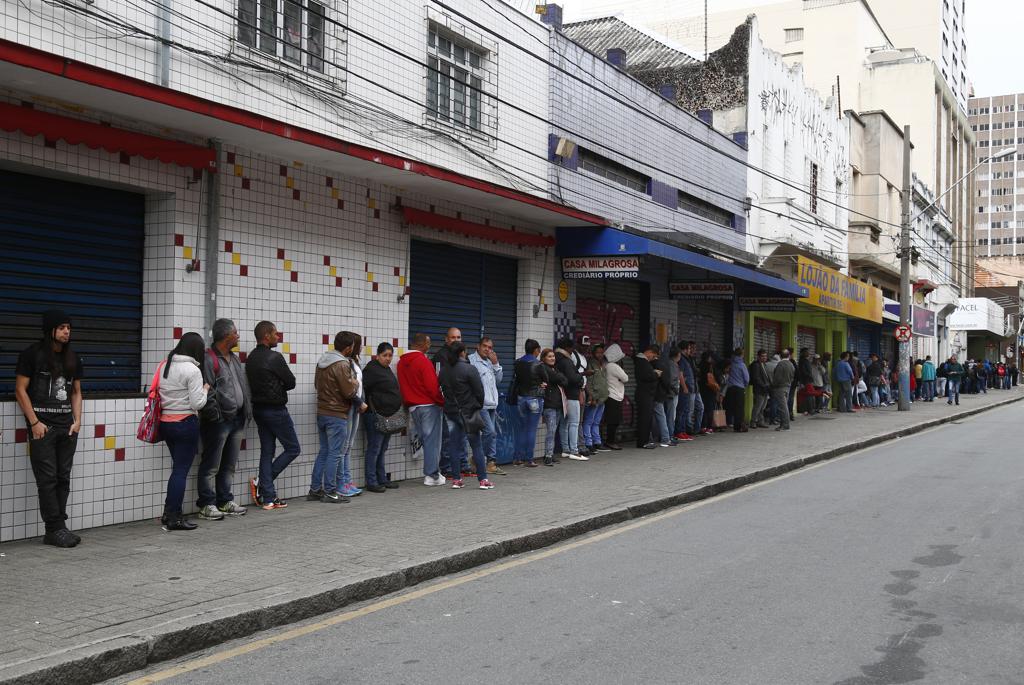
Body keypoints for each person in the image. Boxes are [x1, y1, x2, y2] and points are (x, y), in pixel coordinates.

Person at [15, 310, 84, 547]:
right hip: (42, 427)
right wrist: (34, 423)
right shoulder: (32, 355)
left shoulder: (72, 357)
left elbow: (76, 391)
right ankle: (53, 529)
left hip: (67, 428)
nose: (67, 331)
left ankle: (59, 527)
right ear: (51, 330)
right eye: (62, 327)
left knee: (62, 477)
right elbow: (20, 390)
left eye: (69, 327)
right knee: (47, 479)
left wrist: (77, 421)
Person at [198, 318, 250, 520]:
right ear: (226, 335)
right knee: (211, 464)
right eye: (235, 333)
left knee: (229, 464)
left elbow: (242, 385)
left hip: (237, 419)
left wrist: (246, 409)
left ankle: (225, 500)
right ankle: (206, 504)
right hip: (219, 422)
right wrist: (215, 416)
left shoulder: (234, 358)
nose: (238, 336)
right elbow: (207, 390)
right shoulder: (209, 359)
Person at [156, 332, 209, 530]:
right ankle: (173, 517)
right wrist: (205, 389)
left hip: (165, 423)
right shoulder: (192, 370)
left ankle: (168, 513)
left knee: (176, 469)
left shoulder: (164, 365)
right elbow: (198, 403)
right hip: (185, 423)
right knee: (180, 471)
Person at [246, 320, 299, 510]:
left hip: (258, 410)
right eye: (275, 333)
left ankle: (268, 498)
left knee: (267, 452)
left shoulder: (251, 358)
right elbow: (291, 382)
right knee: (293, 448)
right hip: (276, 411)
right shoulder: (274, 357)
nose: (278, 337)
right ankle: (263, 483)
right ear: (267, 335)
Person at [310, 331, 360, 502]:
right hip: (337, 414)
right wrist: (355, 383)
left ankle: (315, 489)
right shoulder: (342, 364)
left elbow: (317, 385)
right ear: (347, 348)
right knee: (335, 453)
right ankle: (331, 491)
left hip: (322, 412)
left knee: (324, 451)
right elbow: (348, 391)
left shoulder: (322, 361)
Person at [439, 342, 494, 489]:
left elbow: (442, 390)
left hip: (450, 412)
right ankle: (483, 480)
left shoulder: (443, 371)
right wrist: (476, 406)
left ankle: (456, 480)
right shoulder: (470, 369)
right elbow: (479, 392)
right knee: (476, 445)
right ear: (462, 352)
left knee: (454, 445)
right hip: (468, 412)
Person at [397, 333, 446, 486]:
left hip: (413, 407)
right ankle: (432, 475)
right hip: (429, 406)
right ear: (421, 344)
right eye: (428, 343)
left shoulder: (401, 362)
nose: (429, 346)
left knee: (425, 440)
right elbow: (432, 387)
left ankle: (432, 473)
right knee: (432, 441)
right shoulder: (423, 361)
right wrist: (441, 401)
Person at [362, 342, 402, 493]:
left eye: (390, 355)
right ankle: (372, 481)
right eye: (385, 355)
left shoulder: (386, 370)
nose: (388, 358)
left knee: (383, 448)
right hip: (375, 415)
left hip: (387, 416)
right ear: (377, 355)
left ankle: (382, 478)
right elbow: (363, 390)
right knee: (375, 448)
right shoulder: (371, 370)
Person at [469, 337, 506, 476]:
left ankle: (490, 463)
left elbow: (498, 380)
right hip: (480, 403)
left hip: (492, 403)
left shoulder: (490, 362)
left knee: (492, 434)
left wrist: (496, 364)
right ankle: (476, 459)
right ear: (478, 346)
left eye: (490, 347)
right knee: (490, 432)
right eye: (485, 346)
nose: (487, 349)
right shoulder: (472, 360)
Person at [334, 335, 366, 498]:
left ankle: (347, 480)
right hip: (349, 407)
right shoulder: (345, 363)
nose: (360, 348)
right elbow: (349, 386)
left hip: (355, 407)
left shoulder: (354, 362)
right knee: (343, 447)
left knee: (348, 447)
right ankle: (342, 483)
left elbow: (359, 385)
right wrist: (359, 402)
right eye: (359, 345)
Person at [434, 327, 467, 478]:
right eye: (453, 338)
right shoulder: (440, 356)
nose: (456, 340)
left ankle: (462, 466)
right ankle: (446, 468)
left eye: (458, 337)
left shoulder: (462, 356)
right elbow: (438, 381)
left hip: (462, 404)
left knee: (462, 436)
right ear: (446, 339)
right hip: (448, 404)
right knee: (448, 436)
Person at [554, 338, 586, 460]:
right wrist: (581, 379)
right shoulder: (566, 361)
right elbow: (573, 378)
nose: (573, 351)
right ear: (567, 348)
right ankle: (574, 451)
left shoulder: (557, 359)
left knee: (564, 423)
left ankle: (566, 450)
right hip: (571, 395)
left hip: (562, 395)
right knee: (573, 423)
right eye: (572, 348)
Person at [540, 347, 568, 465]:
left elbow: (565, 381)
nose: (552, 358)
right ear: (544, 358)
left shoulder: (554, 369)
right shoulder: (544, 368)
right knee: (551, 431)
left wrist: (559, 378)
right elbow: (557, 378)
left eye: (553, 356)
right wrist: (559, 378)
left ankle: (550, 454)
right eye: (549, 356)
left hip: (557, 404)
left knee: (553, 430)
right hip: (549, 404)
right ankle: (548, 456)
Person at [581, 343, 610, 453]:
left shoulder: (603, 364)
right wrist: (591, 396)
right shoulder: (591, 364)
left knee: (596, 422)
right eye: (598, 352)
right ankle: (588, 444)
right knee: (588, 421)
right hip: (594, 398)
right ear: (593, 353)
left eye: (601, 352)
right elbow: (588, 382)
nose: (600, 354)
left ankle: (597, 443)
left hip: (602, 397)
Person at [602, 343, 629, 450]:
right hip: (615, 396)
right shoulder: (613, 366)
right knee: (614, 421)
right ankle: (611, 441)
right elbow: (626, 378)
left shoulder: (605, 365)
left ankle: (610, 440)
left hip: (609, 395)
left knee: (611, 420)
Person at [653, 345, 681, 446]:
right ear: (678, 355)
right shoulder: (672, 365)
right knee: (670, 415)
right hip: (671, 394)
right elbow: (672, 380)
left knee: (666, 414)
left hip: (667, 393)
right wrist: (675, 390)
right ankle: (668, 435)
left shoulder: (669, 363)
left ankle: (665, 435)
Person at [634, 345, 661, 449]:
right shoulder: (642, 362)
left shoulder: (644, 362)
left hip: (646, 394)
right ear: (649, 352)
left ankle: (645, 440)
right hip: (644, 395)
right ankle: (643, 442)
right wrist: (656, 374)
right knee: (644, 418)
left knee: (646, 418)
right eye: (653, 356)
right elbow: (646, 376)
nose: (653, 359)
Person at [674, 340, 697, 441]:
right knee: (681, 411)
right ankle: (679, 432)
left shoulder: (686, 359)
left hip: (688, 389)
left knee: (686, 410)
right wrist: (685, 387)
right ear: (684, 349)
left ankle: (683, 431)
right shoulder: (682, 360)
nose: (690, 350)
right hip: (685, 390)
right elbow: (681, 374)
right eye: (688, 348)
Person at [724, 347, 749, 432]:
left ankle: (728, 422)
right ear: (742, 355)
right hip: (739, 389)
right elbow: (746, 378)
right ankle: (738, 426)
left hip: (730, 388)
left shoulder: (731, 363)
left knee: (730, 407)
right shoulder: (742, 365)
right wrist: (744, 385)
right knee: (739, 408)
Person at [697, 350, 720, 434]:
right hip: (710, 390)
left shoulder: (699, 365)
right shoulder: (710, 366)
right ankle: (709, 427)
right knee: (709, 408)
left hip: (702, 389)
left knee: (703, 408)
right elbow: (715, 377)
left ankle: (702, 426)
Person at [771, 349, 795, 430]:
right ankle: (785, 424)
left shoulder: (780, 364)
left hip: (780, 388)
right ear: (789, 355)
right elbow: (792, 377)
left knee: (782, 407)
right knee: (785, 406)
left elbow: (777, 378)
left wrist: (773, 385)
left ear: (780, 356)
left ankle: (785, 424)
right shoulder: (791, 364)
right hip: (787, 386)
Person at [749, 349, 771, 428]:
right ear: (758, 357)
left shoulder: (764, 365)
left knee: (762, 407)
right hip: (759, 389)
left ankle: (760, 421)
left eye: (765, 356)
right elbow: (756, 378)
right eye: (762, 356)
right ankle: (753, 421)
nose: (764, 357)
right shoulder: (756, 365)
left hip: (765, 389)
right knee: (757, 406)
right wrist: (764, 385)